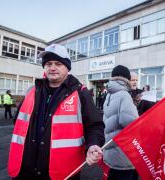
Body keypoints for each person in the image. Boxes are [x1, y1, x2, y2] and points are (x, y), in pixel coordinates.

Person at [8, 43, 105, 180]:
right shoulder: (32, 91)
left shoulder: (80, 93)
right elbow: (18, 122)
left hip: (62, 171)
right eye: (48, 64)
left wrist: (93, 144)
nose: (52, 68)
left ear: (67, 67)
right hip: (25, 170)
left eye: (58, 63)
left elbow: (95, 126)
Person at [103, 65, 139, 180]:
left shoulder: (110, 94)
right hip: (123, 153)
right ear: (127, 79)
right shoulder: (124, 95)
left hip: (112, 148)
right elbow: (131, 123)